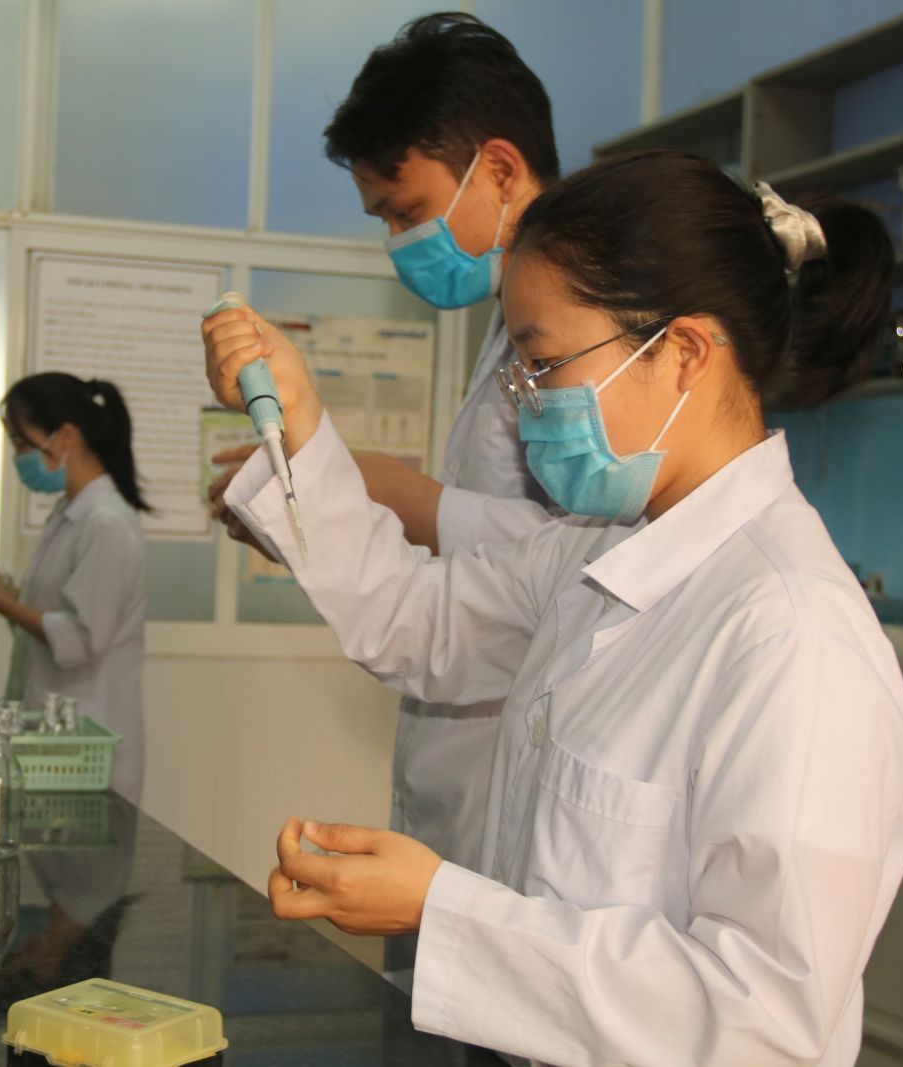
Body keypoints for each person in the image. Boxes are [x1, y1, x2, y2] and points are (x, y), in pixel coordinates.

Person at [206, 151, 903, 1067]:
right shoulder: (596, 546)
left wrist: (445, 910)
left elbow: (763, 1026)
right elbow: (414, 619)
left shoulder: (793, 639)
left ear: (684, 354)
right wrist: (299, 418)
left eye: (543, 364)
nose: (528, 404)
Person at [207, 14, 562, 982]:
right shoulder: (510, 331)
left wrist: (403, 497)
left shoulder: (574, 348)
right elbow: (438, 607)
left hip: (516, 799)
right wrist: (323, 505)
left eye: (405, 211)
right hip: (465, 772)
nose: (399, 242)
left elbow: (573, 565)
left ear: (499, 167)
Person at [0, 372, 149, 803]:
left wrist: (4, 604)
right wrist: (0, 588)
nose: (19, 457)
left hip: (90, 742)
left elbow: (81, 639)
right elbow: (49, 612)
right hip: (58, 741)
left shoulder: (106, 524)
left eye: (23, 444)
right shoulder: (69, 513)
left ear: (66, 437)